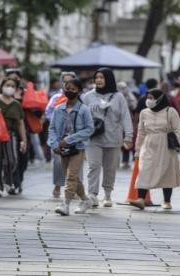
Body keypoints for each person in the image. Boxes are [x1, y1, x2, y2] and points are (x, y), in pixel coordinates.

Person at [129, 89, 180, 210]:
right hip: (148, 145)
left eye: (152, 98)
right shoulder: (144, 113)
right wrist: (137, 150)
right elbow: (141, 132)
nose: (149, 100)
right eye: (148, 97)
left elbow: (178, 129)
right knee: (144, 170)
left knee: (167, 172)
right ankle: (141, 199)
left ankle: (167, 201)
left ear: (159, 99)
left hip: (166, 145)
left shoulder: (170, 111)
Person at [83, 67, 133, 207]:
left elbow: (125, 117)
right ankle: (92, 195)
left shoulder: (119, 97)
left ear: (109, 79)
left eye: (102, 77)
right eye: (97, 77)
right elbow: (81, 116)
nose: (98, 80)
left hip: (113, 138)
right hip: (93, 138)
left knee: (110, 168)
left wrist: (128, 136)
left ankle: (107, 194)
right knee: (93, 166)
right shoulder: (88, 96)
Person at [49, 79, 95, 216]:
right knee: (72, 177)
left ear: (79, 91)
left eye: (73, 89)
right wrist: (54, 144)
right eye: (67, 88)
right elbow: (51, 128)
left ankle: (65, 204)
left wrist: (69, 139)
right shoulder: (58, 109)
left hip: (78, 148)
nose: (69, 91)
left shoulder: (84, 109)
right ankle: (85, 200)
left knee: (71, 176)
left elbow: (89, 129)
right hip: (62, 149)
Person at [0, 78, 27, 197]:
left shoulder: (16, 104)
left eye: (13, 86)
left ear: (15, 89)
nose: (10, 87)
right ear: (2, 86)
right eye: (7, 85)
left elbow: (21, 123)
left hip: (10, 134)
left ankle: (7, 181)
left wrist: (24, 140)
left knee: (12, 160)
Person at [45, 72, 77, 198]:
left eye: (71, 81)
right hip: (59, 135)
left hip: (75, 135)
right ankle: (58, 185)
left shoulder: (80, 97)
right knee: (58, 161)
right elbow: (48, 113)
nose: (68, 84)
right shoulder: (56, 97)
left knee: (75, 163)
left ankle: (73, 188)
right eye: (65, 81)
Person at [117, 81, 138, 169]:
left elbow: (134, 107)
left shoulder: (129, 96)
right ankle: (120, 161)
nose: (123, 90)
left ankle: (127, 160)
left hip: (128, 121)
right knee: (119, 141)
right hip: (118, 122)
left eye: (124, 88)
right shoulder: (115, 96)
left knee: (128, 140)